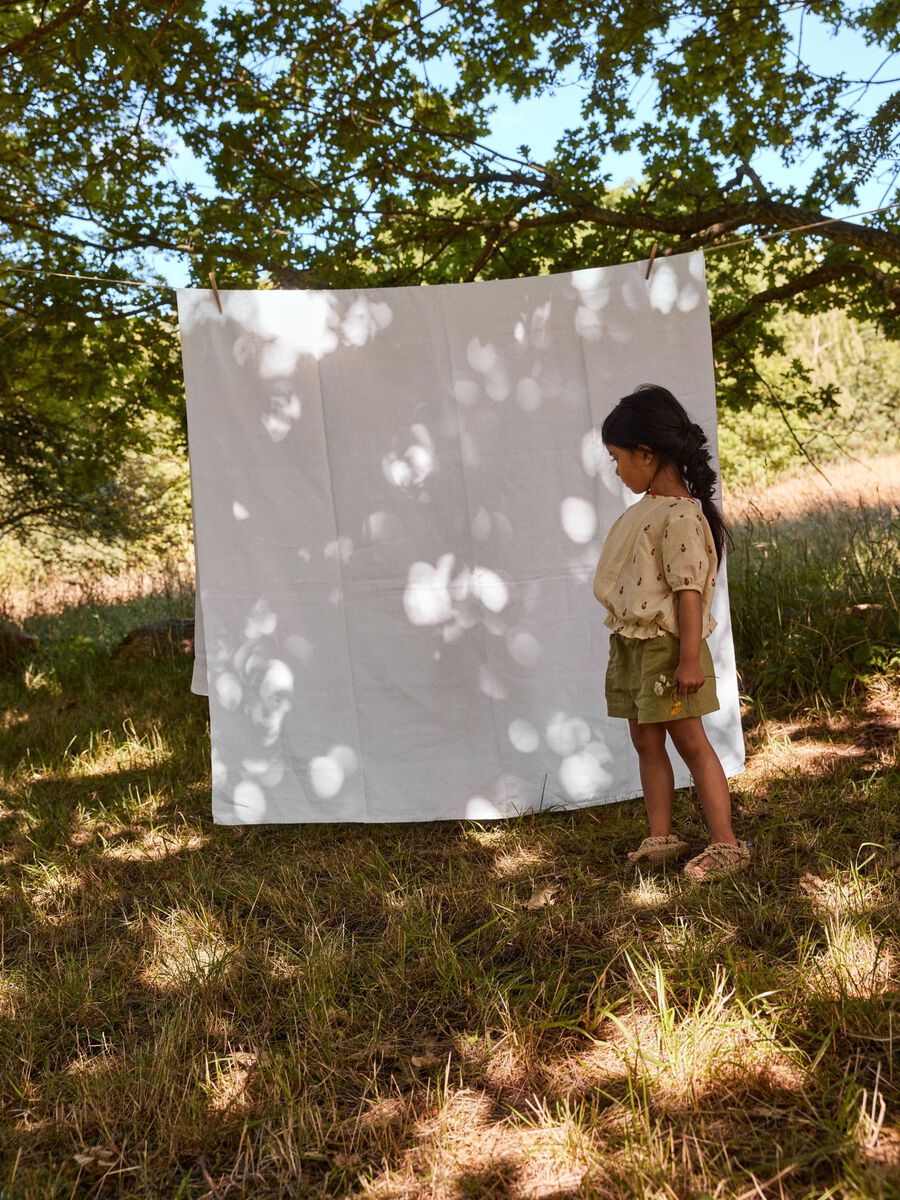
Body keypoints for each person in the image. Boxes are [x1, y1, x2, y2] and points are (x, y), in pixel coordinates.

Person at [593, 384, 750, 881]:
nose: (616, 469)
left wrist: (687, 658)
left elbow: (689, 592)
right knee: (645, 741)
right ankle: (661, 836)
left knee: (692, 743)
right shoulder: (646, 509)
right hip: (633, 644)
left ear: (647, 453)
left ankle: (726, 843)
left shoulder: (682, 515)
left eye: (618, 458)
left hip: (668, 648)